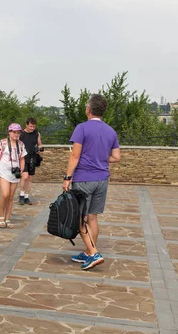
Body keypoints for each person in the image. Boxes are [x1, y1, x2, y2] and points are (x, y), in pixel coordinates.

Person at [63, 93, 120, 270]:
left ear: (88, 109)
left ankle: (94, 253)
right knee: (92, 217)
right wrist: (100, 159)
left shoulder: (82, 128)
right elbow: (116, 157)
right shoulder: (110, 131)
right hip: (102, 179)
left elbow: (75, 156)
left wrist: (67, 178)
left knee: (80, 218)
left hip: (84, 179)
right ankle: (89, 252)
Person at [0, 123, 27, 229]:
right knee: (5, 194)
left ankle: (7, 218)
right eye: (14, 132)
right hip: (3, 172)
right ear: (9, 132)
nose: (16, 134)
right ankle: (1, 217)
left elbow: (22, 158)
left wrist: (21, 169)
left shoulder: (21, 144)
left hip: (15, 173)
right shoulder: (2, 143)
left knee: (11, 197)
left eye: (18, 132)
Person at [18, 118, 43, 205]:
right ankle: (21, 195)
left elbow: (39, 144)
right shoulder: (21, 134)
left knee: (30, 178)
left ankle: (26, 196)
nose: (32, 128)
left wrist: (40, 150)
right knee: (24, 176)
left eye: (34, 126)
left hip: (32, 157)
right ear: (26, 125)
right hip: (23, 158)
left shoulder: (37, 133)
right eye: (31, 126)